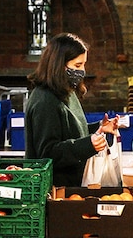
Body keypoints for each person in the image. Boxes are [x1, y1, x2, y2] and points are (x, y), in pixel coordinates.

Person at [25, 32, 118, 187]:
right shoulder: (45, 101)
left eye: (83, 64)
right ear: (59, 65)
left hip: (72, 187)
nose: (82, 71)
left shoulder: (67, 91)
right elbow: (48, 154)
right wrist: (88, 145)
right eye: (77, 65)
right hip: (52, 191)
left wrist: (99, 129)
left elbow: (70, 131)